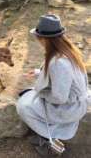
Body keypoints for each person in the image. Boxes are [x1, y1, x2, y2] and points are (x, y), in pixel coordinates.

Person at [16, 14, 91, 156]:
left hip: (70, 107)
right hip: (76, 100)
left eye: (38, 38)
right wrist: (39, 73)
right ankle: (51, 129)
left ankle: (48, 137)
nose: (38, 41)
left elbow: (59, 98)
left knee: (23, 106)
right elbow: (64, 77)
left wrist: (42, 94)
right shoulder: (68, 51)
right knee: (29, 94)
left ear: (45, 39)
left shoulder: (58, 62)